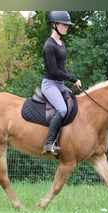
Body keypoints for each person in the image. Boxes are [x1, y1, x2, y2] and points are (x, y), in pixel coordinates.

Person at [41, 11, 82, 155]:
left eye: (67, 25)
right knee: (63, 109)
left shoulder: (61, 43)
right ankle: (49, 144)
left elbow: (62, 68)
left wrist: (73, 81)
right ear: (54, 25)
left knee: (75, 101)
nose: (66, 27)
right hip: (50, 84)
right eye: (64, 25)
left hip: (59, 83)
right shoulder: (49, 46)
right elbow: (53, 71)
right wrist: (72, 79)